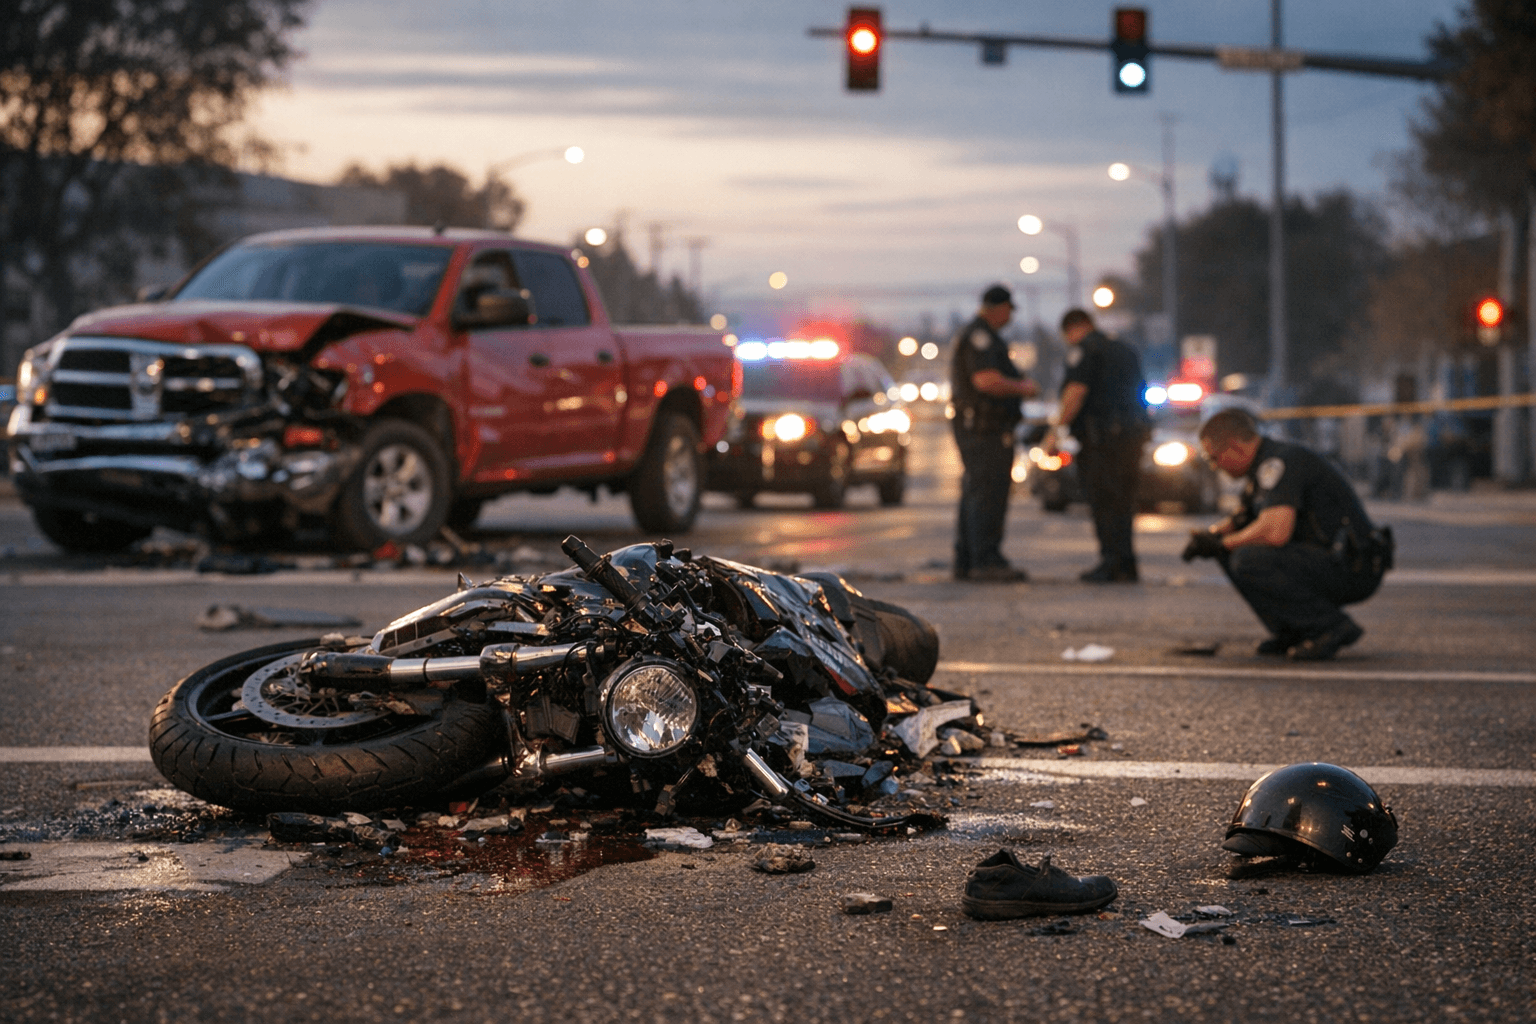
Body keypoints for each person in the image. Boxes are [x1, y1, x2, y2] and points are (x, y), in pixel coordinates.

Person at [1183, 408, 1394, 661]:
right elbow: (1242, 520)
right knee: (1231, 553)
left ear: (1236, 447)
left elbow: (1275, 532)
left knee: (1247, 558)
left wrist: (1223, 543)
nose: (1216, 466)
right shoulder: (1261, 469)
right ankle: (1292, 631)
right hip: (1331, 558)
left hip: (1353, 566)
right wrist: (1209, 537)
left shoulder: (1279, 462)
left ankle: (1329, 626)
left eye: (1215, 458)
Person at [1047, 308, 1149, 582]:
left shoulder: (1085, 350)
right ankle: (1127, 563)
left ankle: (1111, 562)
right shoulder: (1125, 350)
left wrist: (1053, 434)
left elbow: (1075, 393)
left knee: (1104, 501)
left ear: (1073, 329)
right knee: (1125, 503)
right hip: (1132, 438)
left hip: (1102, 441)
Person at [949, 284, 1038, 582]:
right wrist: (1022, 387)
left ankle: (970, 558)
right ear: (999, 308)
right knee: (987, 492)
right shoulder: (981, 337)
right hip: (984, 429)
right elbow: (985, 381)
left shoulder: (985, 336)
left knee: (978, 490)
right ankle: (985, 560)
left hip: (985, 427)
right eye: (1009, 310)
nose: (1010, 317)